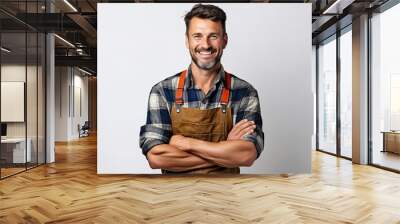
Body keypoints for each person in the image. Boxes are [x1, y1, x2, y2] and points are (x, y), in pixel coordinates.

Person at [139, 3, 264, 174]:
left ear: (225, 40)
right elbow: (156, 157)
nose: (205, 44)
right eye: (197, 36)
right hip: (174, 195)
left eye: (213, 36)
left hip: (227, 196)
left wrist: (187, 143)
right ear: (187, 40)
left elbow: (246, 154)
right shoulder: (162, 91)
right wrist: (225, 152)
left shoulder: (244, 92)